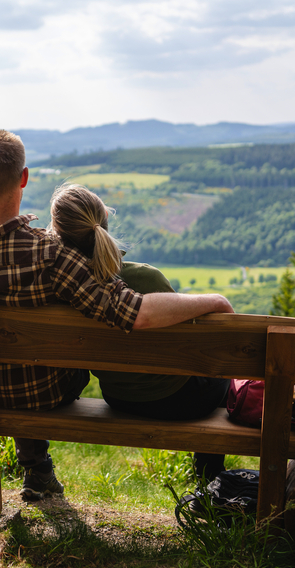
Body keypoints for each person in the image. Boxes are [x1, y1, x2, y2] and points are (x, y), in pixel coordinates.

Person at [0, 129, 233, 501]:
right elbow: (133, 312)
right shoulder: (51, 255)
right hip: (43, 393)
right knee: (33, 364)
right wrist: (214, 301)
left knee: (7, 361)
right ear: (23, 178)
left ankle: (36, 469)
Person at [48, 183, 230, 479]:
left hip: (118, 397)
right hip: (181, 401)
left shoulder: (58, 287)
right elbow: (193, 344)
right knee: (222, 374)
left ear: (57, 233)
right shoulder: (144, 278)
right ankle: (209, 478)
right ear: (105, 219)